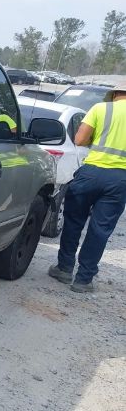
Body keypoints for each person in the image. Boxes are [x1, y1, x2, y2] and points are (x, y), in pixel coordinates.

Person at [49, 84, 126, 292]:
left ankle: (64, 269)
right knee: (100, 230)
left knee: (74, 221)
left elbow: (80, 139)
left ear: (115, 94)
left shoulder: (101, 109)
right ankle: (83, 280)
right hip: (120, 179)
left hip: (91, 173)